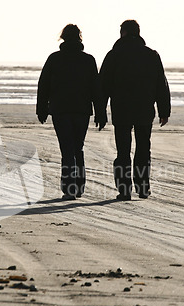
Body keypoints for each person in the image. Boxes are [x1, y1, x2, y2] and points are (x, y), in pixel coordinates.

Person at [100, 20, 171, 201]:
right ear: (138, 33)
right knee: (143, 149)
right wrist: (164, 110)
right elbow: (161, 85)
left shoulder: (114, 55)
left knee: (123, 152)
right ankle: (143, 187)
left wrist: (100, 111)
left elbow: (103, 85)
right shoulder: (151, 55)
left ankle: (124, 189)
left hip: (121, 110)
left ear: (122, 33)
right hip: (144, 110)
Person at [37, 24, 107, 200]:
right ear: (79, 38)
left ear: (63, 38)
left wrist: (42, 109)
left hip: (60, 110)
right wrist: (100, 113)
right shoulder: (88, 60)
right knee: (78, 148)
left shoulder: (54, 58)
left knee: (67, 149)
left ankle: (69, 188)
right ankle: (79, 187)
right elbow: (96, 89)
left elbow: (43, 85)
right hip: (81, 110)